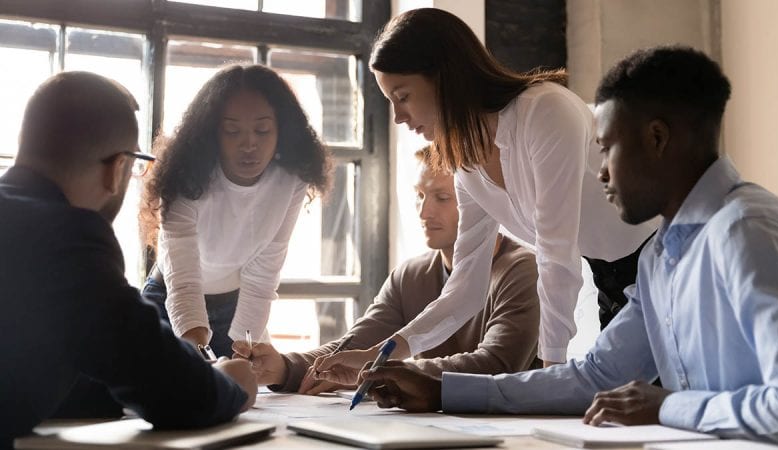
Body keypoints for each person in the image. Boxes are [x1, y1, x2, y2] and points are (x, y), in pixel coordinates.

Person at [357, 46, 778, 447]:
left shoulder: (747, 232)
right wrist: (440, 389)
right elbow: (597, 377)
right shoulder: (660, 258)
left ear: (657, 138)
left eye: (606, 149)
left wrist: (668, 406)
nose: (601, 173)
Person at [316, 8, 656, 378]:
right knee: (625, 410)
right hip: (607, 273)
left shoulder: (545, 112)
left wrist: (549, 377)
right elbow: (465, 289)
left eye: (403, 96)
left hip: (666, 255)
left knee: (663, 407)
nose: (398, 116)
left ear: (444, 78)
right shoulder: (467, 166)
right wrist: (381, 355)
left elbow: (556, 255)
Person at [0, 72, 257, 447]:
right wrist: (232, 383)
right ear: (118, 167)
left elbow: (68, 364)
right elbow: (183, 396)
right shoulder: (69, 238)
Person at [233, 147, 541, 394]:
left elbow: (498, 364)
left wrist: (384, 372)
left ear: (481, 202)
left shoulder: (521, 270)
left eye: (442, 198)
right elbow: (355, 347)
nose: (423, 212)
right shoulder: (410, 276)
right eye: (420, 195)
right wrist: (285, 366)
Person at [140, 64, 330, 357]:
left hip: (235, 305)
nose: (249, 144)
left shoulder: (292, 179)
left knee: (245, 390)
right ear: (212, 134)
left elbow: (265, 272)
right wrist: (198, 352)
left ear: (281, 130)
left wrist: (246, 348)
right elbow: (184, 277)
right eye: (232, 131)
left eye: (262, 130)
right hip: (169, 299)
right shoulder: (186, 176)